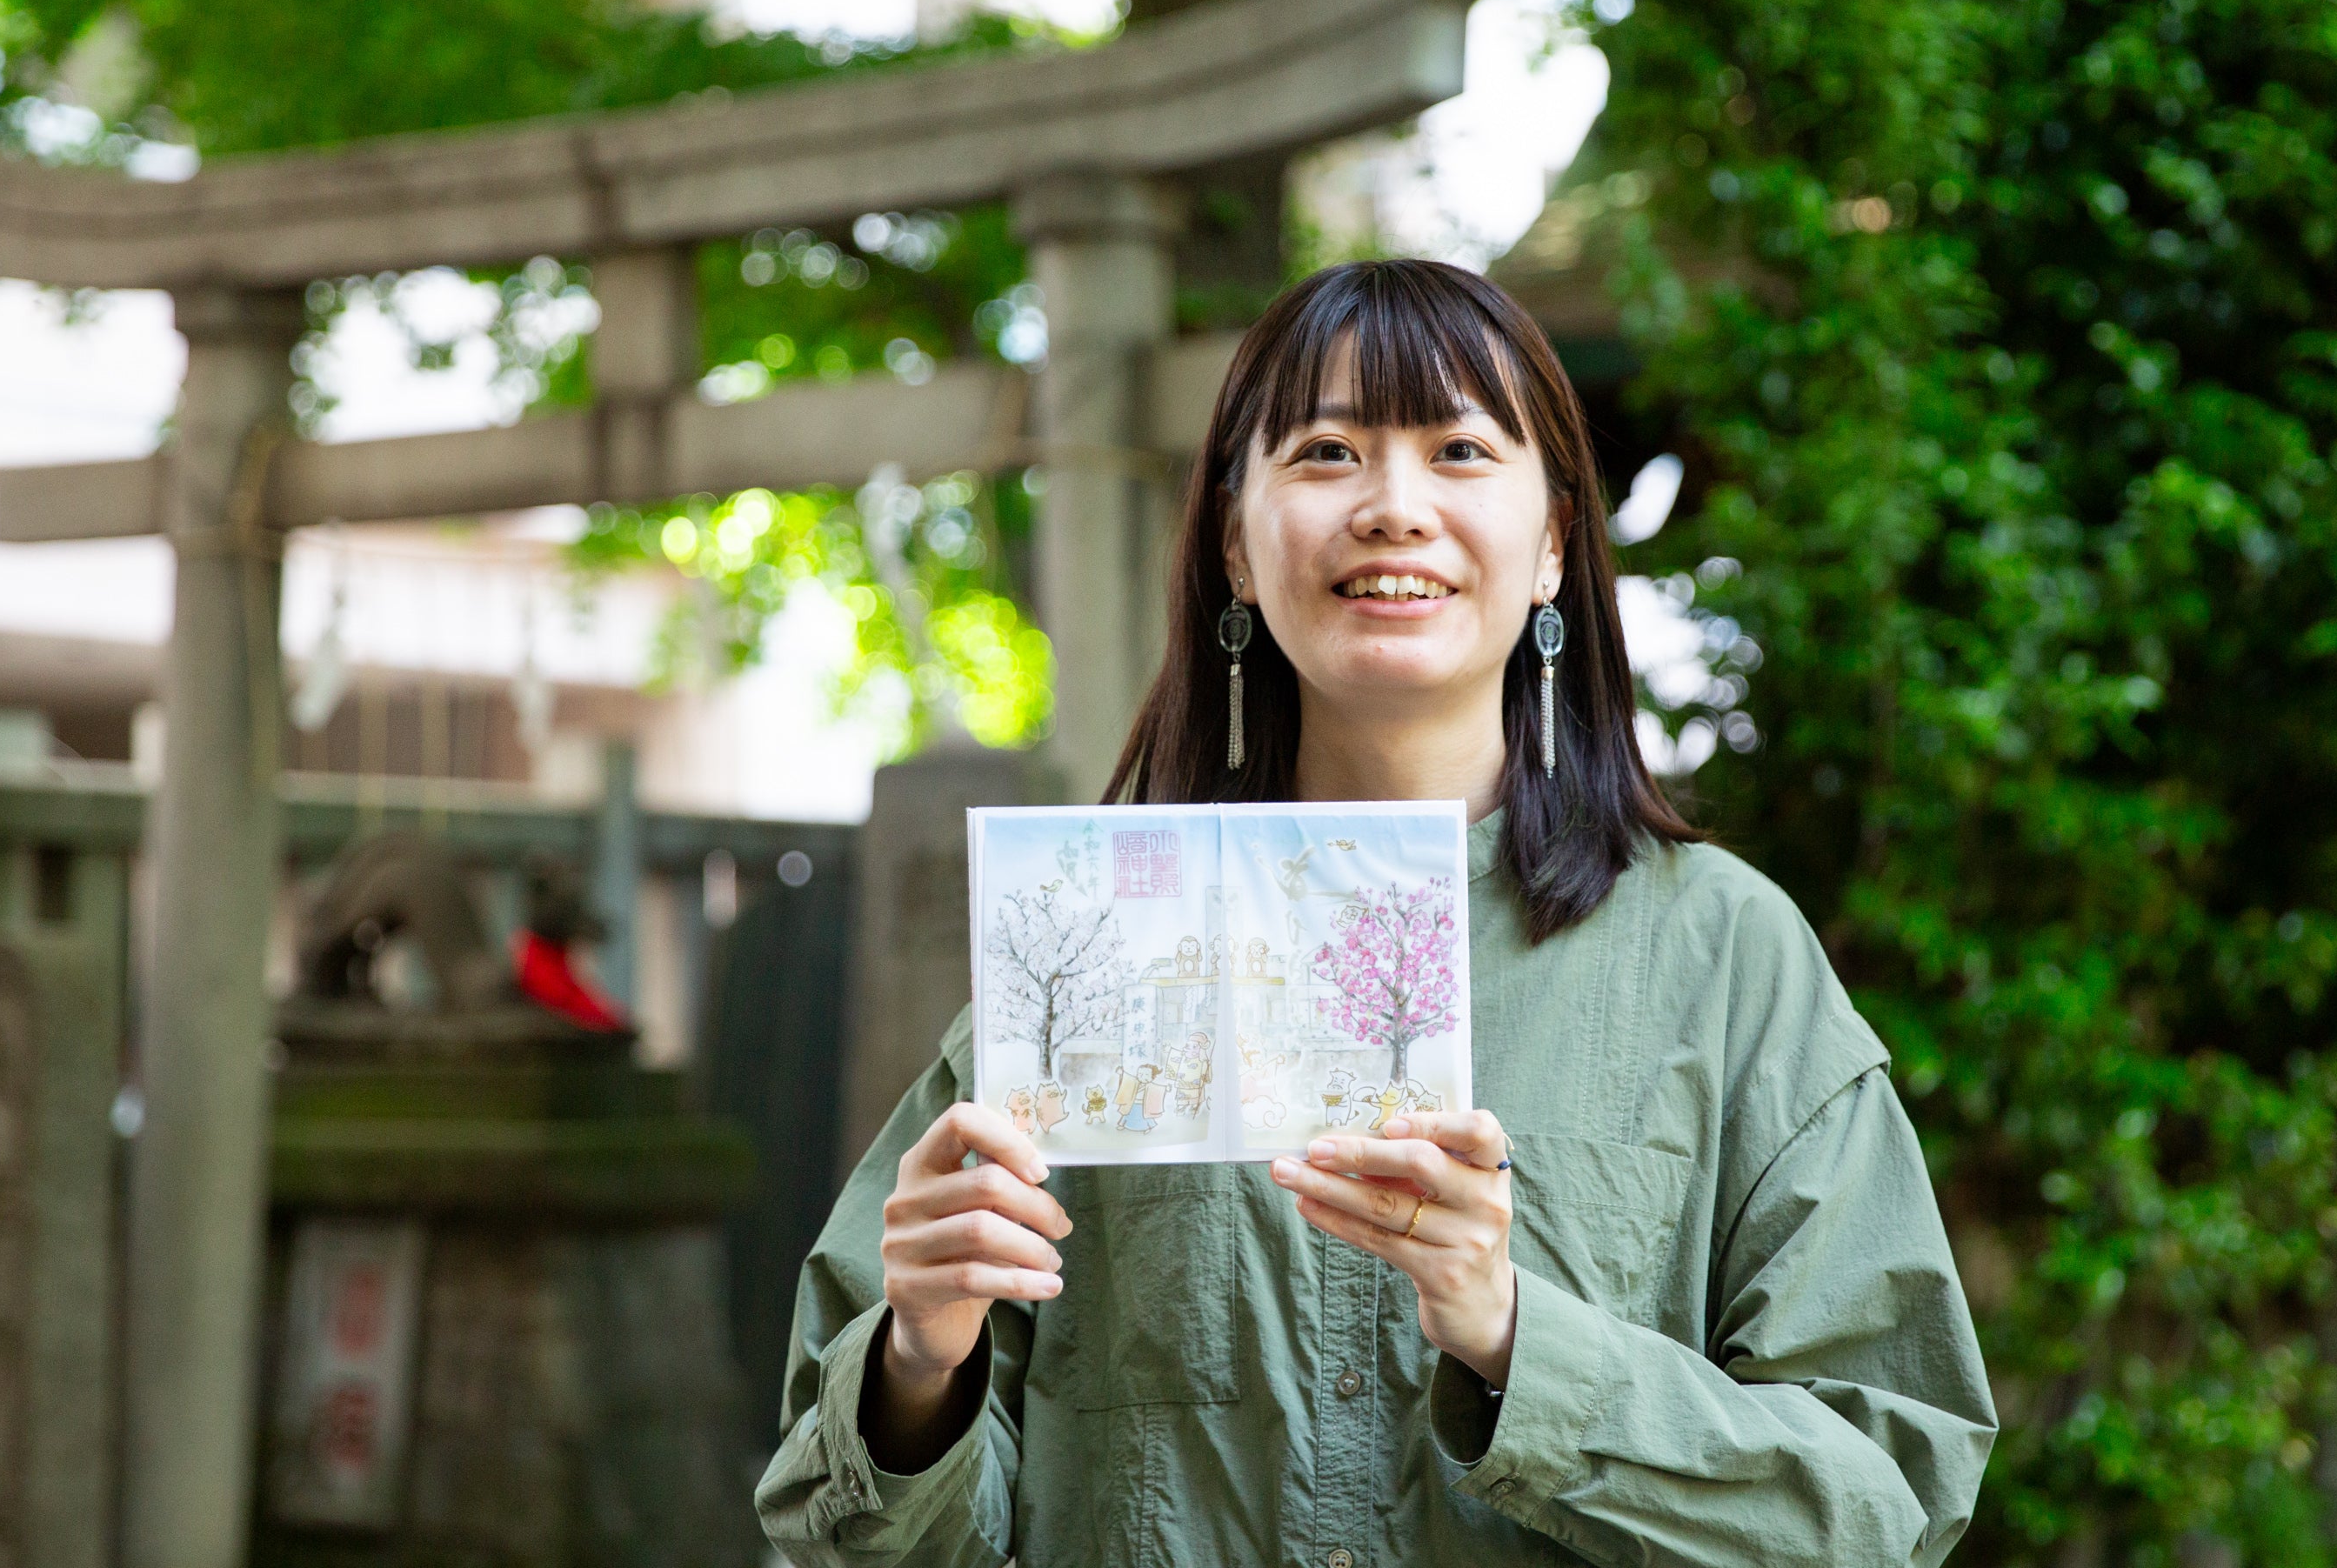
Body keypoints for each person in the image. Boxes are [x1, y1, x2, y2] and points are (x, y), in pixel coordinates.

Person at [758, 260, 1997, 1567]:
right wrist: (919, 1357)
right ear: (1235, 544)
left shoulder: (1723, 956)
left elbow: (1885, 1499)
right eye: (1329, 452)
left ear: (1555, 545)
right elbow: (823, 1524)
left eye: (1459, 450)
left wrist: (1513, 1336)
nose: (1394, 508)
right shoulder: (1089, 948)